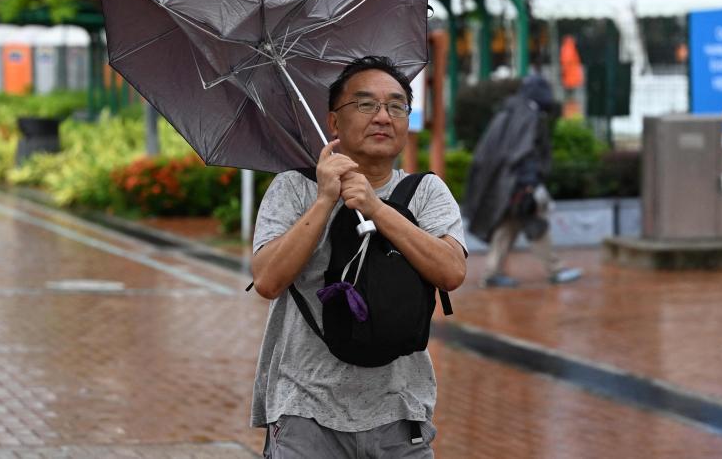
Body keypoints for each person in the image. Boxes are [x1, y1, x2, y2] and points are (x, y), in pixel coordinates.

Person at [249, 55, 467, 458]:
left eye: (396, 105)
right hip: (304, 412)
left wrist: (378, 208)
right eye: (365, 104)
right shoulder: (293, 189)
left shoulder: (427, 192)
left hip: (400, 412)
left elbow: (452, 271)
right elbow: (267, 280)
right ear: (333, 122)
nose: (383, 116)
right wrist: (324, 199)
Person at [464, 71, 581, 288]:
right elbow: (525, 152)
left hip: (507, 184)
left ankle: (492, 273)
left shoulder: (510, 111)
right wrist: (530, 185)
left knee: (509, 226)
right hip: (518, 185)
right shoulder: (529, 116)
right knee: (535, 223)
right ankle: (555, 269)